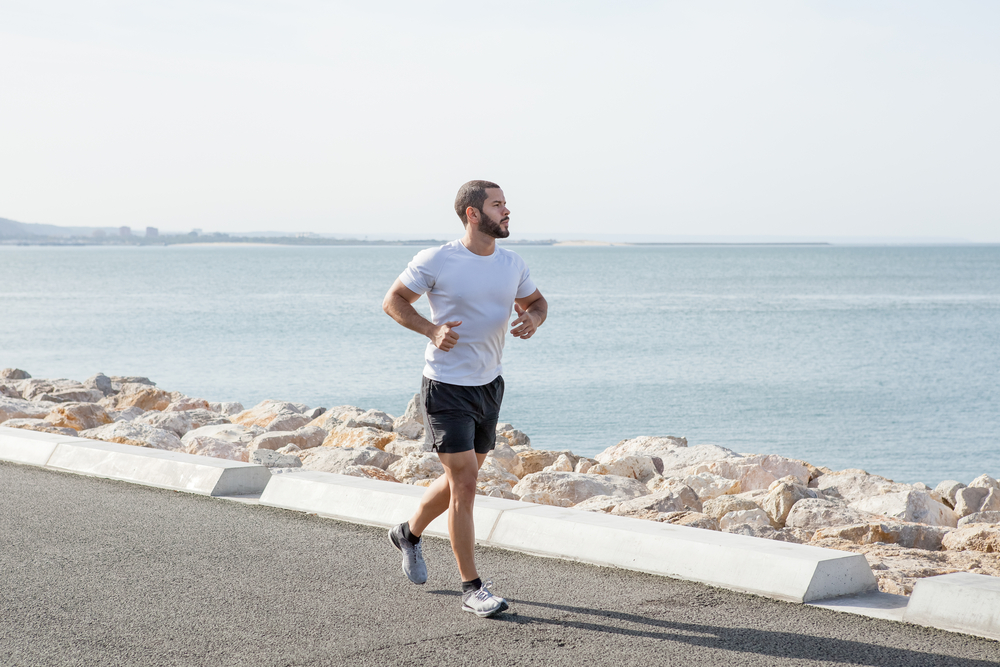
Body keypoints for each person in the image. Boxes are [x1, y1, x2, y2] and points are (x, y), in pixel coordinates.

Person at [382, 180, 547, 617]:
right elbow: (393, 301)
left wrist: (532, 318)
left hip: (489, 385)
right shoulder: (437, 259)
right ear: (473, 214)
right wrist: (431, 330)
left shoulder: (512, 263)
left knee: (463, 477)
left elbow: (537, 302)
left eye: (506, 204)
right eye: (498, 205)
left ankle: (408, 533)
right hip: (445, 386)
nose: (507, 211)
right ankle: (472, 588)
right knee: (467, 484)